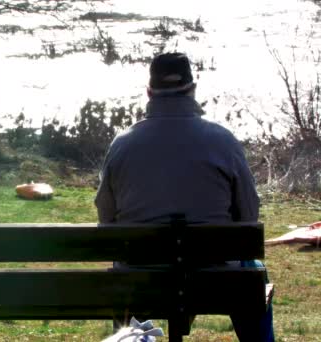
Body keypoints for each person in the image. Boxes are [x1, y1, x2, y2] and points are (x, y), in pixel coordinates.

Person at [95, 52, 274, 341]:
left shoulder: (123, 144)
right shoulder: (223, 140)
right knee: (252, 273)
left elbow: (106, 216)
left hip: (141, 280)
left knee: (125, 274)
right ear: (192, 89)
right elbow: (249, 216)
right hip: (214, 279)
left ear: (149, 92)